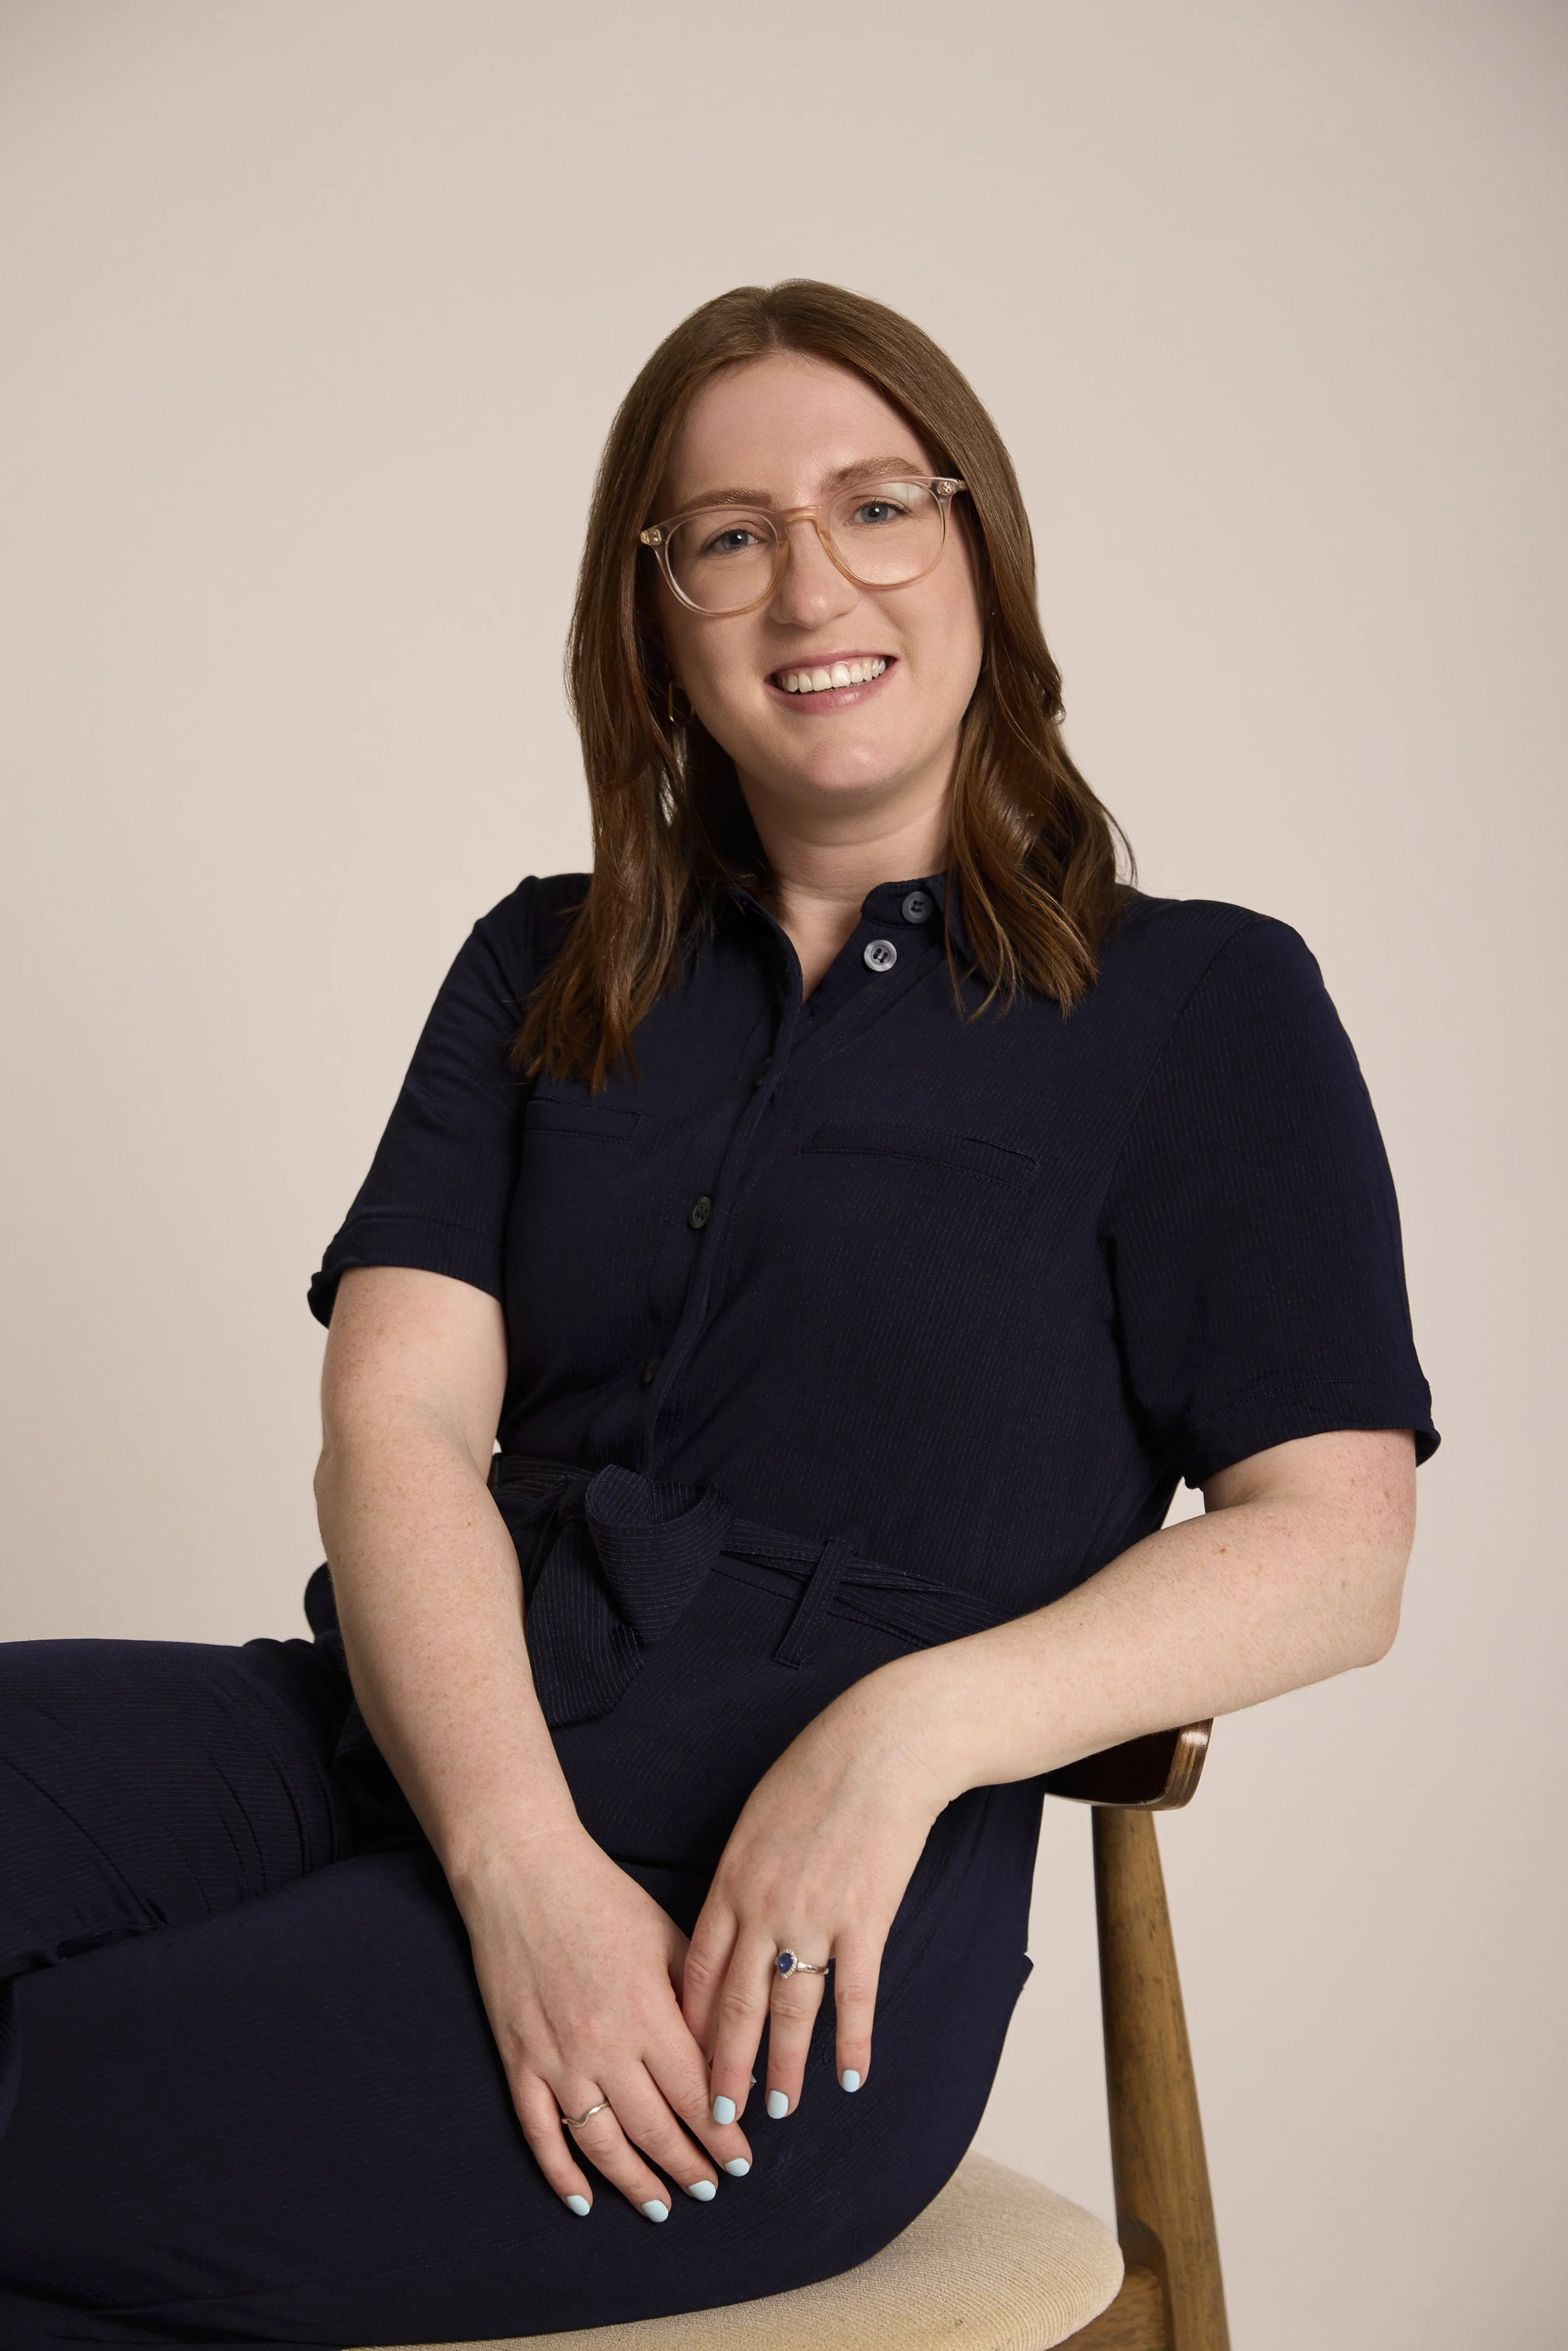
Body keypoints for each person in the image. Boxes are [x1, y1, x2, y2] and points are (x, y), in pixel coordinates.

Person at [0, 280, 1436, 2347]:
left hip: (769, 1943)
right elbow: (396, 1428)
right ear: (652, 611)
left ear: (977, 544)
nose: (811, 583)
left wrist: (900, 1732)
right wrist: (513, 1856)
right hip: (409, 1750)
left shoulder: (1201, 1003)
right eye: (731, 535)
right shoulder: (540, 963)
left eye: (877, 504)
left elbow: (1333, 1546)